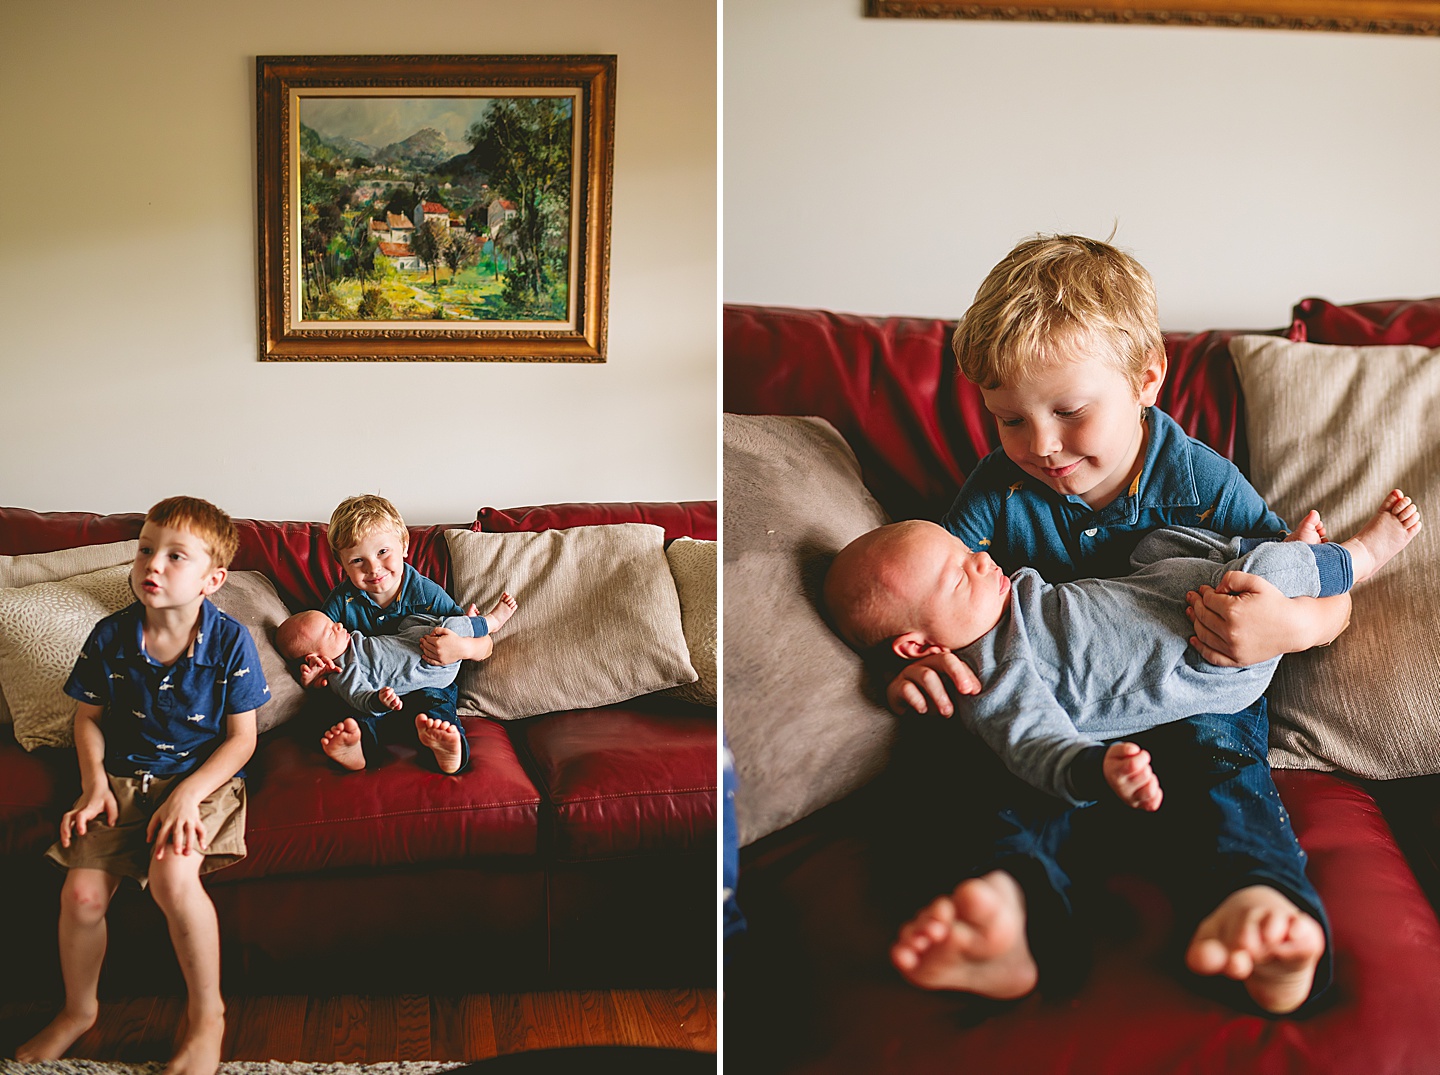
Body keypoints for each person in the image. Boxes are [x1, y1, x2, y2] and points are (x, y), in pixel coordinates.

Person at [875, 234, 1358, 1015]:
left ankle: (1258, 906)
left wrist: (1289, 628)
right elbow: (930, 587)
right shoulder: (998, 487)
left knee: (1224, 773)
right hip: (1064, 701)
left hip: (1196, 683)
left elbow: (1310, 577)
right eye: (1010, 421)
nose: (1042, 447)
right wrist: (916, 659)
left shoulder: (1197, 476)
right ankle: (1007, 907)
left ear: (1145, 381)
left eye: (1069, 411)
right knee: (977, 758)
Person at [826, 493, 1418, 812]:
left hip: (1163, 594)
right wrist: (1092, 768)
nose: (981, 558)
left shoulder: (1004, 599)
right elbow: (1032, 743)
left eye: (965, 549)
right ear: (919, 645)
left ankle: (1275, 558)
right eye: (959, 576)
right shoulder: (990, 674)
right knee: (1258, 573)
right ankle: (1356, 559)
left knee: (1160, 544)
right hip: (1209, 652)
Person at [17, 497, 269, 1075]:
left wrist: (186, 795)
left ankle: (207, 1018)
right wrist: (93, 787)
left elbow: (242, 740)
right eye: (146, 550)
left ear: (213, 579)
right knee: (80, 896)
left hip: (200, 782)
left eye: (175, 556)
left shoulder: (230, 642)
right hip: (122, 780)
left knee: (171, 878)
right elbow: (87, 718)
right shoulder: (111, 636)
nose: (152, 564)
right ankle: (78, 1011)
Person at [312, 494, 513, 775]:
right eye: (358, 560)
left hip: (424, 683)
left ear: (404, 545)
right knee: (348, 707)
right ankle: (358, 748)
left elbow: (484, 644)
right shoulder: (341, 602)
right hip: (375, 690)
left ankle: (447, 748)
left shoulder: (425, 593)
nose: (373, 568)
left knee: (438, 707)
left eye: (383, 552)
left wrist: (461, 648)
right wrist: (316, 674)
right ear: (343, 565)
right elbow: (320, 646)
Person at [276, 602, 516, 754]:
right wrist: (378, 700)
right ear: (315, 658)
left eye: (333, 622)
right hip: (427, 671)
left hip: (426, 649)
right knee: (434, 717)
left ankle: (480, 623)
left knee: (439, 625)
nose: (339, 624)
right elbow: (359, 697)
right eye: (330, 631)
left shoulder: (352, 642)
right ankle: (490, 621)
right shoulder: (342, 670)